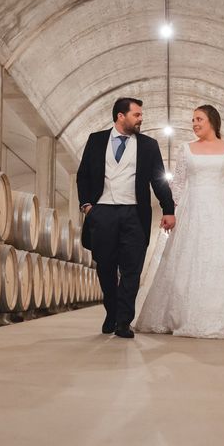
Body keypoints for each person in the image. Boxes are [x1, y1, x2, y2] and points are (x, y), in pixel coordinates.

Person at [134, 105, 224, 339]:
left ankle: (223, 316)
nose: (194, 123)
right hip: (193, 212)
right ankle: (187, 315)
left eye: (199, 119)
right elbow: (179, 183)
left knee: (222, 260)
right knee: (190, 261)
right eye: (193, 120)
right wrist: (170, 211)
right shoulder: (186, 149)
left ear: (212, 120)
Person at [76, 97, 176, 338]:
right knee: (106, 266)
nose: (141, 119)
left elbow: (158, 179)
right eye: (137, 115)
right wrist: (88, 206)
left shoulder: (148, 145)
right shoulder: (96, 140)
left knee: (132, 268)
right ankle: (111, 311)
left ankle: (123, 321)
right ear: (121, 116)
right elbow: (83, 175)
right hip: (103, 212)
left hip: (135, 214)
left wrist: (168, 209)